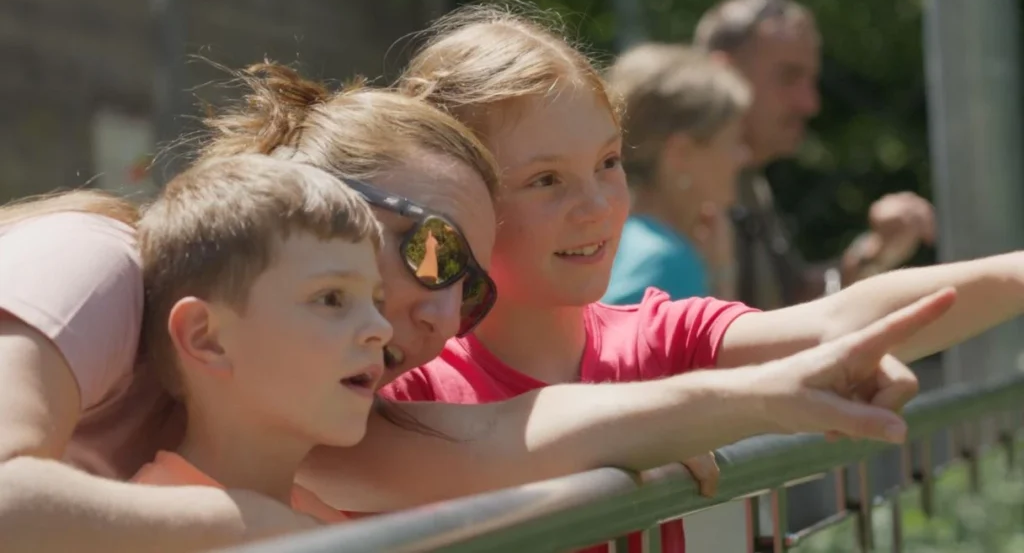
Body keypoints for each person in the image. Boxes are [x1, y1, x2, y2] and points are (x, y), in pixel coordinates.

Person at [0, 61, 997, 553]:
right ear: (316, 200)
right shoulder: (91, 264)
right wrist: (268, 534)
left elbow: (499, 441)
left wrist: (760, 399)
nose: (440, 314)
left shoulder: (303, 412)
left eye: (471, 286)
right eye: (429, 249)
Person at [386, 3, 1024, 552]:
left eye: (608, 161)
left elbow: (837, 319)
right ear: (456, 200)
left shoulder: (661, 333)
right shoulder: (397, 381)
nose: (598, 205)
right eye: (545, 179)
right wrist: (675, 421)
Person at [130, 154, 390, 523]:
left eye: (378, 302)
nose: (382, 327)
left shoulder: (327, 524)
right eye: (331, 299)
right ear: (207, 338)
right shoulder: (145, 532)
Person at [693, 0, 936, 309]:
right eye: (788, 77)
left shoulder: (747, 180)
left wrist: (875, 252)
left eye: (810, 80)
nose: (810, 104)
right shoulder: (677, 188)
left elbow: (788, 304)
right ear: (723, 73)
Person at [602, 43, 750, 303]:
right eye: (732, 141)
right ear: (680, 154)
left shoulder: (613, 238)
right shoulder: (665, 261)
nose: (743, 156)